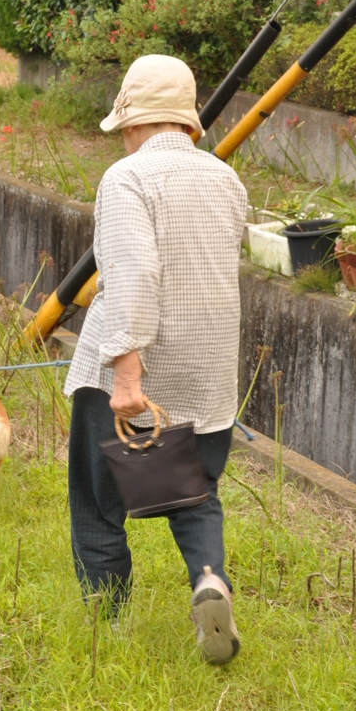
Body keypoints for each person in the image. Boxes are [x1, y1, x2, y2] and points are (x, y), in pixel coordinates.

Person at [63, 54, 247, 664]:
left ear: (135, 122)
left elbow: (136, 275)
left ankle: (105, 632)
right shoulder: (226, 180)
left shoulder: (126, 179)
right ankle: (209, 581)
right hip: (211, 378)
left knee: (99, 506)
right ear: (187, 122)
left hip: (137, 373)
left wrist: (125, 370)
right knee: (195, 495)